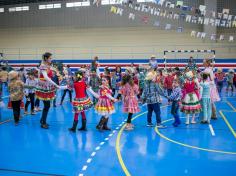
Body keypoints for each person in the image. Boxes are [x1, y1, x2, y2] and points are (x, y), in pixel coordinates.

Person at [35, 52, 66, 129]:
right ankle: (43, 122)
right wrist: (55, 85)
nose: (51, 59)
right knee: (47, 105)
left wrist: (59, 75)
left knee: (47, 105)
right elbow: (46, 77)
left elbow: (53, 72)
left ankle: (42, 120)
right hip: (44, 88)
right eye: (50, 58)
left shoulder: (48, 66)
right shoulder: (43, 66)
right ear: (46, 58)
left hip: (48, 87)